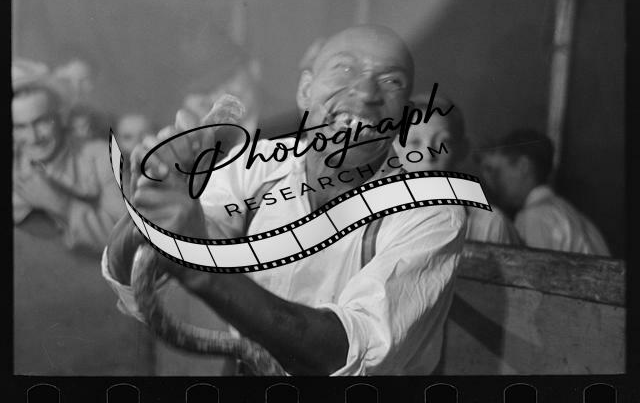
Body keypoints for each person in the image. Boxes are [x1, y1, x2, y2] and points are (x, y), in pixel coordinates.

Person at [102, 25, 467, 375]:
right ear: (305, 90)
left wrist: (200, 269)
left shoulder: (429, 209)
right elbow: (142, 278)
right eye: (344, 68)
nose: (366, 93)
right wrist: (147, 212)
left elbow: (347, 355)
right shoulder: (255, 168)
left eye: (391, 81)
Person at [12, 76, 125, 254]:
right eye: (20, 127)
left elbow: (126, 237)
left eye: (41, 122)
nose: (33, 138)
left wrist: (62, 204)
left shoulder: (102, 156)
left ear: (62, 118)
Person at [393, 94, 520, 245]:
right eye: (414, 142)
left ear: (462, 150)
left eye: (443, 142)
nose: (428, 154)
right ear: (395, 149)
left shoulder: (490, 223)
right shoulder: (381, 219)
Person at [480, 129, 610, 256]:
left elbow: (532, 269)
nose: (494, 181)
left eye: (498, 172)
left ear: (523, 166)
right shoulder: (565, 211)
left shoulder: (535, 217)